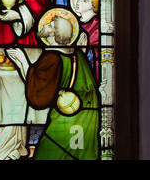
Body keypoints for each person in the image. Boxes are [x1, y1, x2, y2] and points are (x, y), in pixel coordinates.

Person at [12, 11, 99, 160]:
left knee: (49, 153)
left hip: (68, 118)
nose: (45, 25)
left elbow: (40, 95)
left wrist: (22, 61)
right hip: (85, 115)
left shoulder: (52, 57)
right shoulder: (75, 53)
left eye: (50, 25)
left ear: (54, 33)